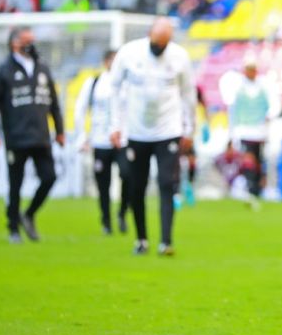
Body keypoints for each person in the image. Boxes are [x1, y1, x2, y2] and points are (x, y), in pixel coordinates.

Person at [109, 17, 196, 256]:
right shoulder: (129, 53)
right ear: (150, 35)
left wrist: (189, 129)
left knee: (167, 184)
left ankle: (165, 241)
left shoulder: (180, 58)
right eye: (157, 43)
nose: (160, 48)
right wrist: (115, 125)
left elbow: (189, 95)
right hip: (136, 132)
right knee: (137, 185)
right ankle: (141, 239)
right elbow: (114, 89)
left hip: (168, 131)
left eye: (164, 44)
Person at [0, 26, 64, 243]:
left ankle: (28, 215)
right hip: (16, 138)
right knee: (15, 185)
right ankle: (13, 228)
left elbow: (54, 103)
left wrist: (60, 131)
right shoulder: (4, 70)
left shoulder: (43, 68)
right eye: (28, 41)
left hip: (41, 136)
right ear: (15, 43)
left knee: (49, 177)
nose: (33, 45)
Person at [73, 49, 130, 235]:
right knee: (102, 184)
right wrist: (82, 135)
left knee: (128, 177)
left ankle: (122, 213)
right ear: (105, 62)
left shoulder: (127, 84)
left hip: (122, 141)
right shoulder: (94, 83)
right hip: (99, 141)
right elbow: (80, 109)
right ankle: (106, 220)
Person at [226, 61, 272, 199]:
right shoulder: (239, 88)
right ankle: (250, 187)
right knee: (248, 160)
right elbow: (234, 112)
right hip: (245, 131)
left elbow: (268, 111)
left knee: (259, 161)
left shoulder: (262, 88)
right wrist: (232, 133)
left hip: (259, 133)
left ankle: (257, 189)